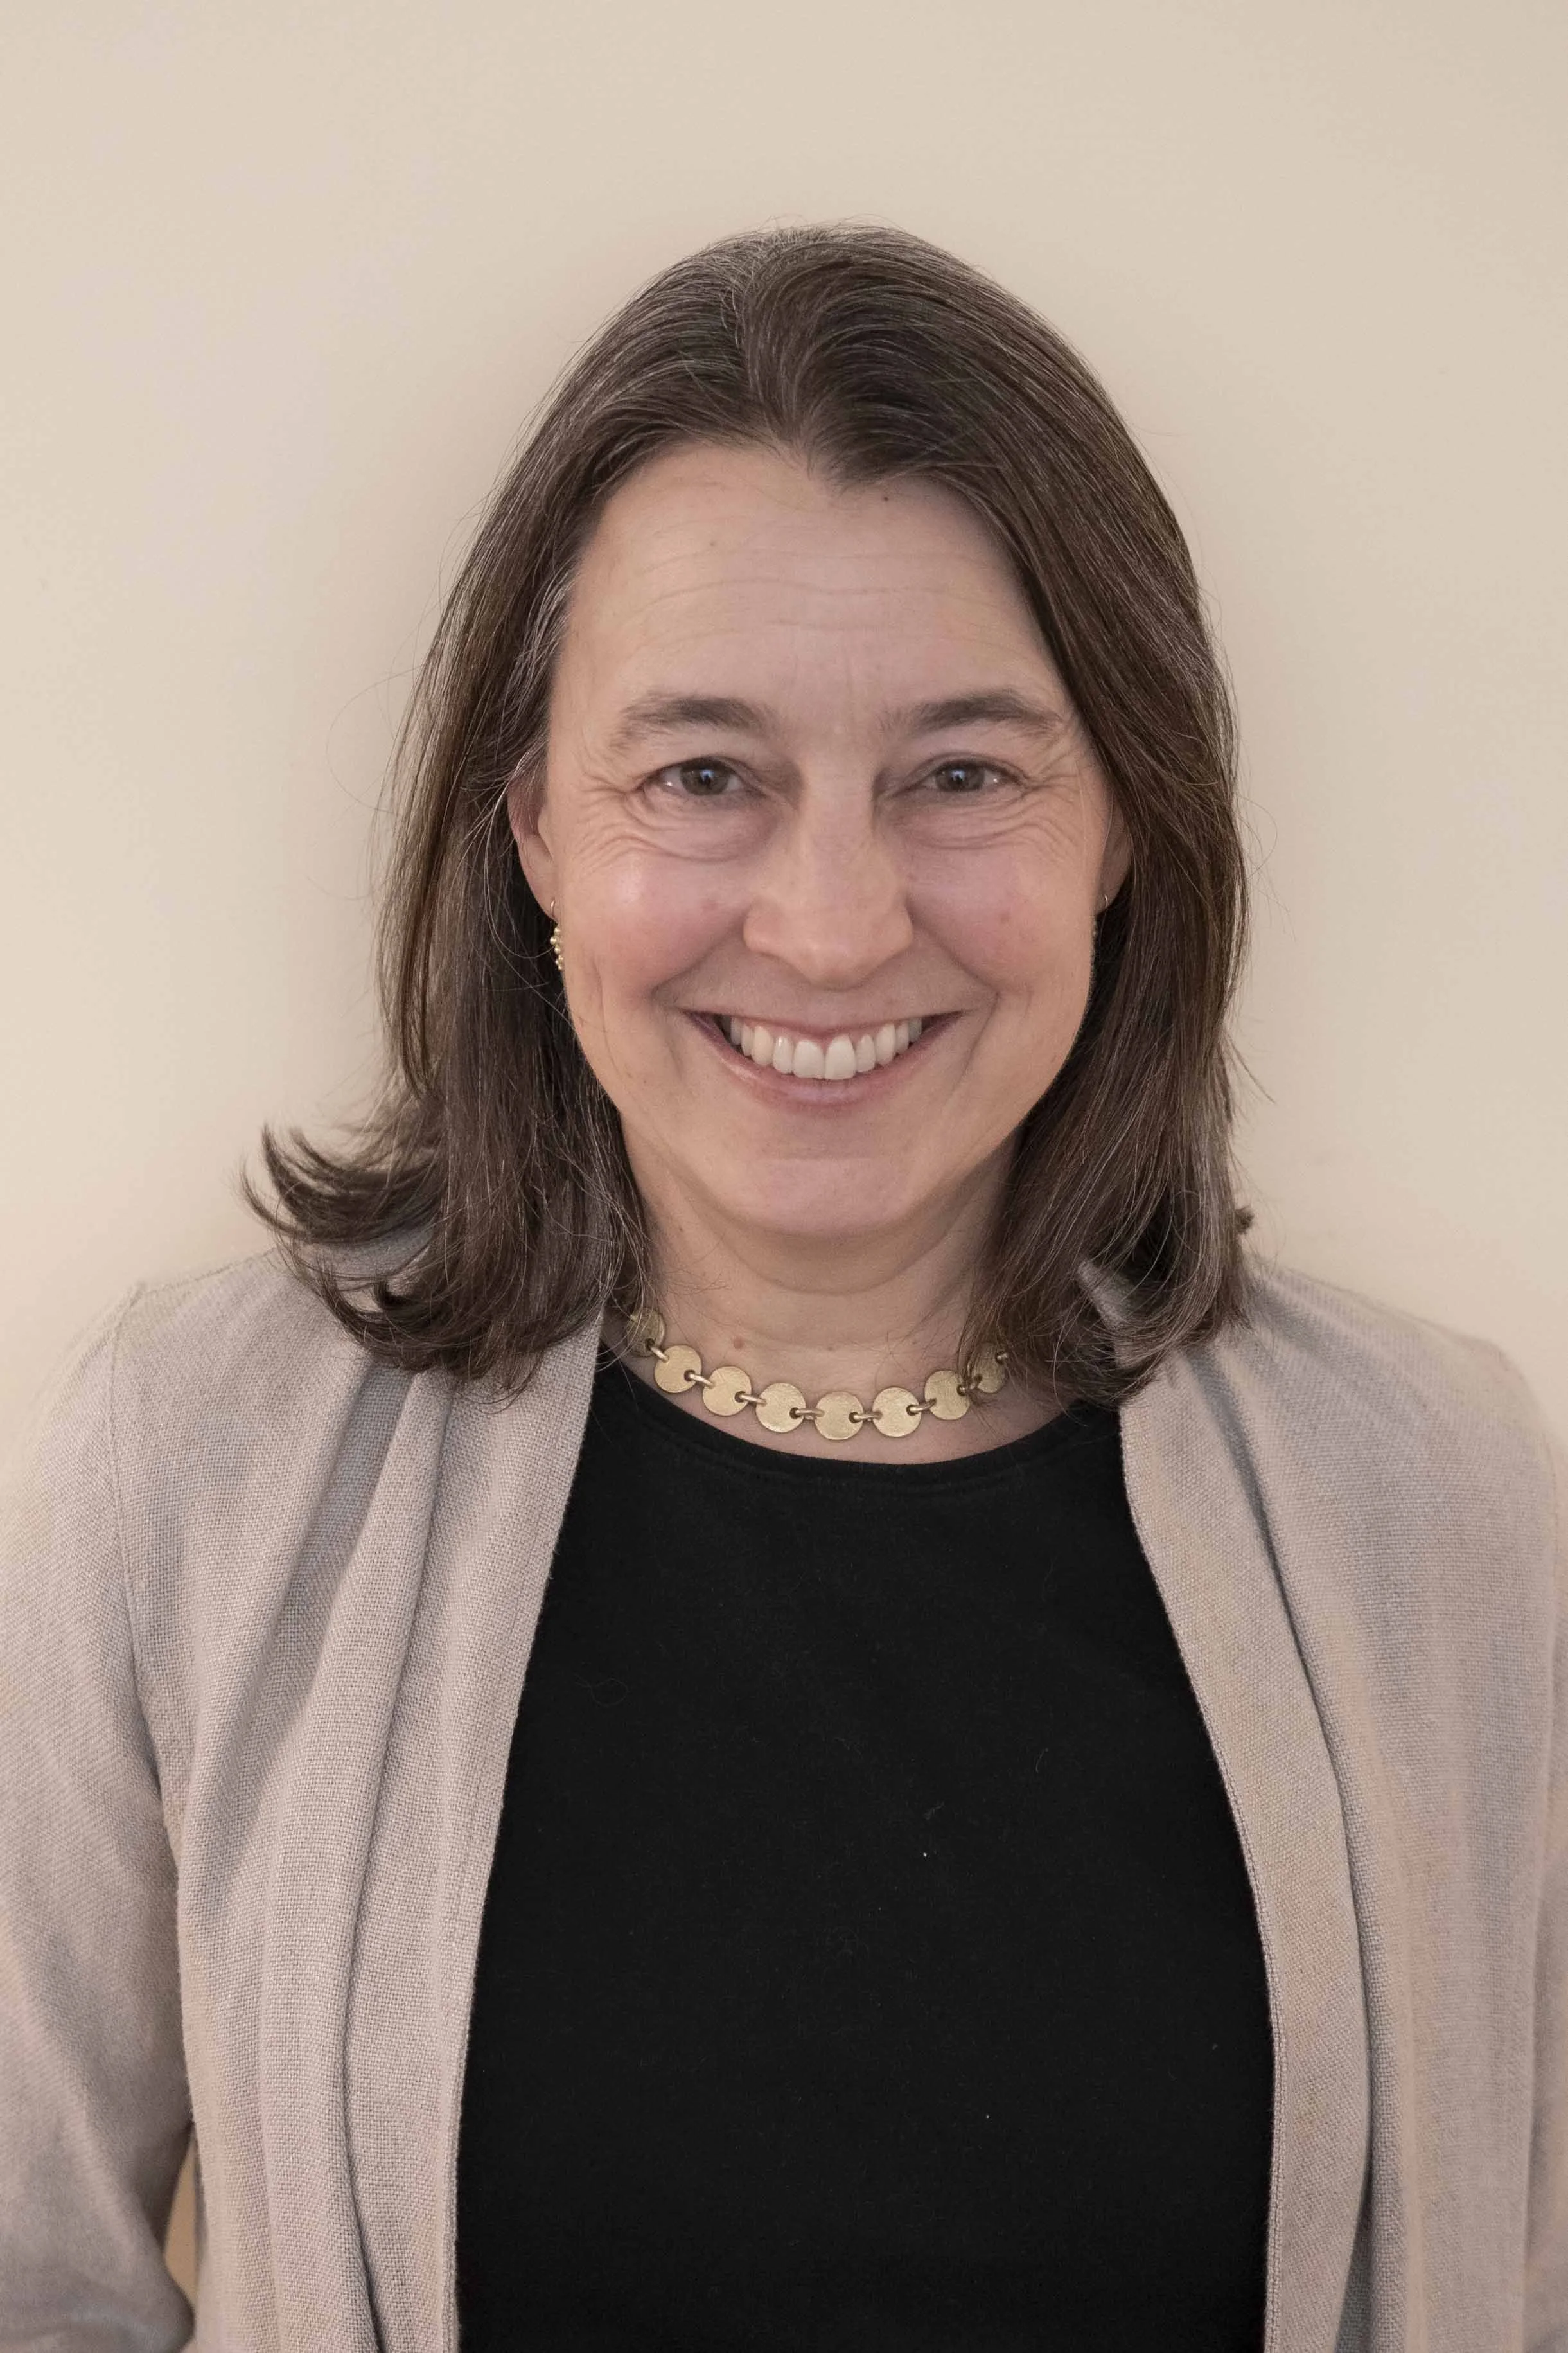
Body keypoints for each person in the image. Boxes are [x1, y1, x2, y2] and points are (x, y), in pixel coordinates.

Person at [1, 224, 1562, 2353]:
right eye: (704, 774)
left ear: (1126, 827)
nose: (831, 927)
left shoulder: (1441, 1503)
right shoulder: (196, 1461)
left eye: (964, 773)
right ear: (533, 821)